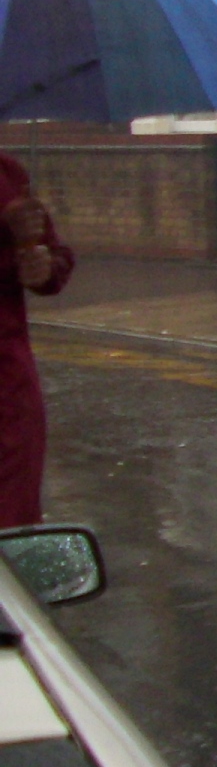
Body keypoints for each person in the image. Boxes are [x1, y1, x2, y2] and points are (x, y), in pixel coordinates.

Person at [0, 156, 74, 526]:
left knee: (14, 517)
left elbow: (55, 256)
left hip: (9, 390)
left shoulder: (8, 174)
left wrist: (43, 266)